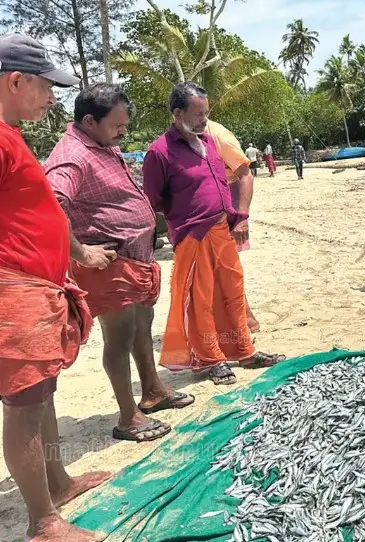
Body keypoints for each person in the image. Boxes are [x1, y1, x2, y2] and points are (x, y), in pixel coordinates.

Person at [0, 33, 110, 542]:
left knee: (42, 391)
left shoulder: (11, 134)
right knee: (24, 403)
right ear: (15, 81)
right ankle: (42, 522)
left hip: (35, 285)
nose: (51, 97)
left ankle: (58, 483)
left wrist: (74, 254)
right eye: (46, 86)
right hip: (14, 288)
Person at [45, 84, 196, 443]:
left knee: (142, 325)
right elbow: (51, 202)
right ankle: (128, 416)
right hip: (109, 264)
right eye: (117, 125)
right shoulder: (72, 154)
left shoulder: (101, 143)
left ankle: (153, 390)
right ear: (89, 121)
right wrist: (81, 253)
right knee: (119, 337)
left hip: (136, 258)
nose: (123, 132)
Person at [142, 83, 283, 386]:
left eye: (206, 113)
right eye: (198, 114)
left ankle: (243, 350)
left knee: (233, 290)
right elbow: (153, 200)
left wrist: (238, 216)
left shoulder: (208, 141)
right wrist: (183, 216)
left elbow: (230, 177)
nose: (204, 120)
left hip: (222, 228)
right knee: (199, 299)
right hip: (193, 233)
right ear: (178, 113)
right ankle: (211, 359)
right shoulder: (160, 151)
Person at [205, 119, 259, 332]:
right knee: (217, 267)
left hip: (225, 207)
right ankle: (245, 320)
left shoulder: (218, 135)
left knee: (223, 267)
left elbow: (245, 175)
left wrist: (242, 217)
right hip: (206, 208)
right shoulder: (186, 135)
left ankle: (245, 321)